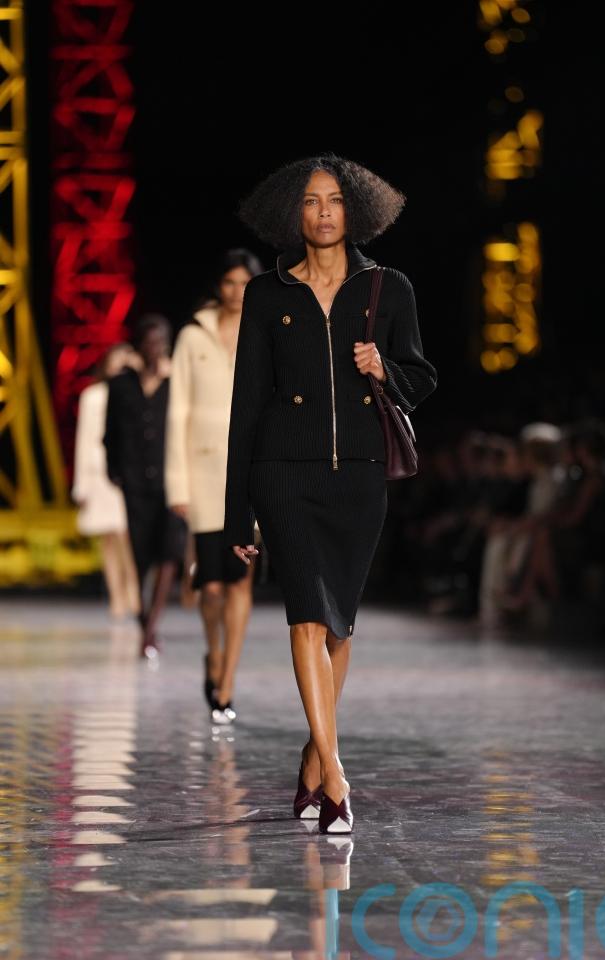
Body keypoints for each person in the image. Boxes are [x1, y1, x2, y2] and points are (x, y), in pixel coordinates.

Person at [223, 154, 438, 833]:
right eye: (311, 201)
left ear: (356, 209)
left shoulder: (387, 288)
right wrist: (236, 511)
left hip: (359, 477)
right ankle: (337, 778)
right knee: (307, 618)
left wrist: (384, 368)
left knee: (340, 625)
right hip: (283, 474)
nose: (323, 213)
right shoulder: (268, 294)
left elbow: (422, 377)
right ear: (293, 211)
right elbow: (246, 404)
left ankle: (313, 758)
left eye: (335, 200)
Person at [165, 248, 264, 725]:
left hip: (250, 475)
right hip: (203, 475)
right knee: (210, 588)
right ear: (217, 286)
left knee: (240, 581)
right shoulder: (192, 336)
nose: (236, 291)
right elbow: (177, 408)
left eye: (245, 283)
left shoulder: (266, 331)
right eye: (229, 282)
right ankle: (214, 652)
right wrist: (177, 484)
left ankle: (227, 681)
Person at [104, 314, 187, 658]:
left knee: (170, 552)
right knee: (139, 557)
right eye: (149, 342)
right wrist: (115, 472)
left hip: (172, 480)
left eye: (160, 342)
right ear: (139, 345)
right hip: (135, 482)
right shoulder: (121, 385)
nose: (155, 348)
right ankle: (144, 622)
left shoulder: (177, 382)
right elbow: (110, 432)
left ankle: (150, 629)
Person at [72, 343, 140, 619]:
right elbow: (84, 439)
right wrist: (81, 484)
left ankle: (134, 592)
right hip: (99, 472)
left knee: (128, 536)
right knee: (108, 538)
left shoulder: (136, 392)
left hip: (127, 472)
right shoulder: (93, 396)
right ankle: (116, 596)